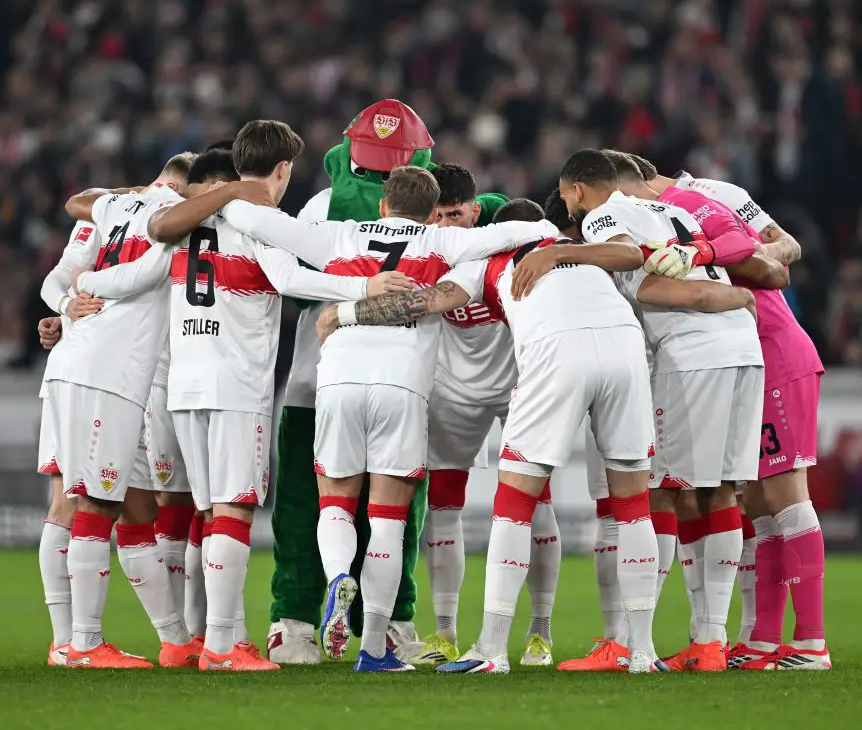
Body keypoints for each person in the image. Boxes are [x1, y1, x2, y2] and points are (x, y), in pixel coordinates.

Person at [194, 160, 548, 672]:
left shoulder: (339, 236)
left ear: (383, 204)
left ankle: (339, 575)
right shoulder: (443, 244)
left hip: (336, 381)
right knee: (388, 521)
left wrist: (220, 197)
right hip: (401, 386)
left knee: (334, 505)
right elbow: (530, 227)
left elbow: (256, 221)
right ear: (431, 213)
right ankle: (375, 647)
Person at [316, 196, 674, 675]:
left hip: (555, 351)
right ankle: (642, 653)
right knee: (632, 506)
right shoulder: (581, 249)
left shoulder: (488, 262)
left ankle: (489, 649)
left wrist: (344, 314)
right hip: (624, 348)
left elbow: (425, 300)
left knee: (514, 504)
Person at [141, 125, 413, 671]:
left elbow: (151, 230)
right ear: (284, 168)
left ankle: (204, 639)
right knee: (234, 513)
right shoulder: (260, 216)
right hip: (236, 383)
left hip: (185, 381)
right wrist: (364, 288)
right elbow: (293, 278)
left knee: (207, 513)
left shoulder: (190, 216)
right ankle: (223, 648)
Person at [521, 150, 768, 672]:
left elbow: (637, 268)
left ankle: (634, 642)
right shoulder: (670, 211)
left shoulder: (606, 214)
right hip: (743, 351)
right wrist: (732, 298)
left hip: (692, 356)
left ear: (574, 191)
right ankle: (709, 641)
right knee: (720, 490)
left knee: (652, 488)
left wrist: (559, 255)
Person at [631, 158, 829, 671]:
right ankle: (762, 640)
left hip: (778, 353)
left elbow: (777, 258)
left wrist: (706, 251)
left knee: (787, 494)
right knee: (759, 503)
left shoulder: (697, 201)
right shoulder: (664, 213)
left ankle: (811, 642)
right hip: (750, 357)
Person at [266, 100, 437, 665]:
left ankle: (292, 624)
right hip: (398, 381)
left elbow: (290, 287)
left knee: (303, 506)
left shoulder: (321, 206)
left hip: (316, 381)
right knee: (395, 513)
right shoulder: (429, 218)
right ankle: (390, 627)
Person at [45, 153, 200, 669]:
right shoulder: (171, 216)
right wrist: (85, 289)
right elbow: (145, 274)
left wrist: (71, 299)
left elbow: (77, 202)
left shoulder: (117, 204)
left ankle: (175, 639)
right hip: (106, 373)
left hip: (95, 367)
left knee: (136, 508)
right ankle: (82, 644)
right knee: (94, 504)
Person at [413, 164, 561, 668]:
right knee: (443, 505)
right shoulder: (422, 250)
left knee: (536, 503)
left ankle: (540, 632)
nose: (446, 225)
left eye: (455, 214)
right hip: (452, 390)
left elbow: (547, 229)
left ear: (476, 212)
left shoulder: (507, 246)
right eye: (437, 215)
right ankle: (444, 633)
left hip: (519, 386)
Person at [34, 219, 103, 665]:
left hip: (120, 376)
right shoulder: (104, 217)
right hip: (81, 377)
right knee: (68, 503)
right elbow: (58, 278)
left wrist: (62, 319)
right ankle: (67, 640)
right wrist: (65, 309)